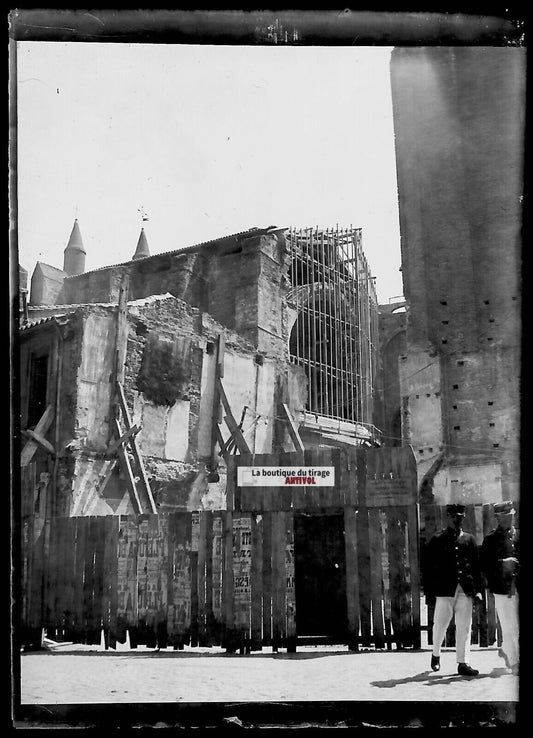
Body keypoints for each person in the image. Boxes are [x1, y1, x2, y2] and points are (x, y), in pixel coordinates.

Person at [424, 503, 483, 676]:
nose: (457, 519)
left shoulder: (469, 539)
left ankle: (463, 663)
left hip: (465, 589)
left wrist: (478, 590)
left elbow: (476, 567)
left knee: (464, 626)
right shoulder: (437, 539)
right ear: (447, 517)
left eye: (460, 516)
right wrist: (429, 593)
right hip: (444, 590)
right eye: (454, 516)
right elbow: (429, 569)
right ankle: (435, 654)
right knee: (440, 625)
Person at [480, 500, 519, 675]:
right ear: (497, 517)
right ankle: (515, 663)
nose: (508, 519)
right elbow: (485, 566)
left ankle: (506, 649)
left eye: (510, 515)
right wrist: (503, 564)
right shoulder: (490, 539)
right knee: (509, 628)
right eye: (504, 517)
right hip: (503, 591)